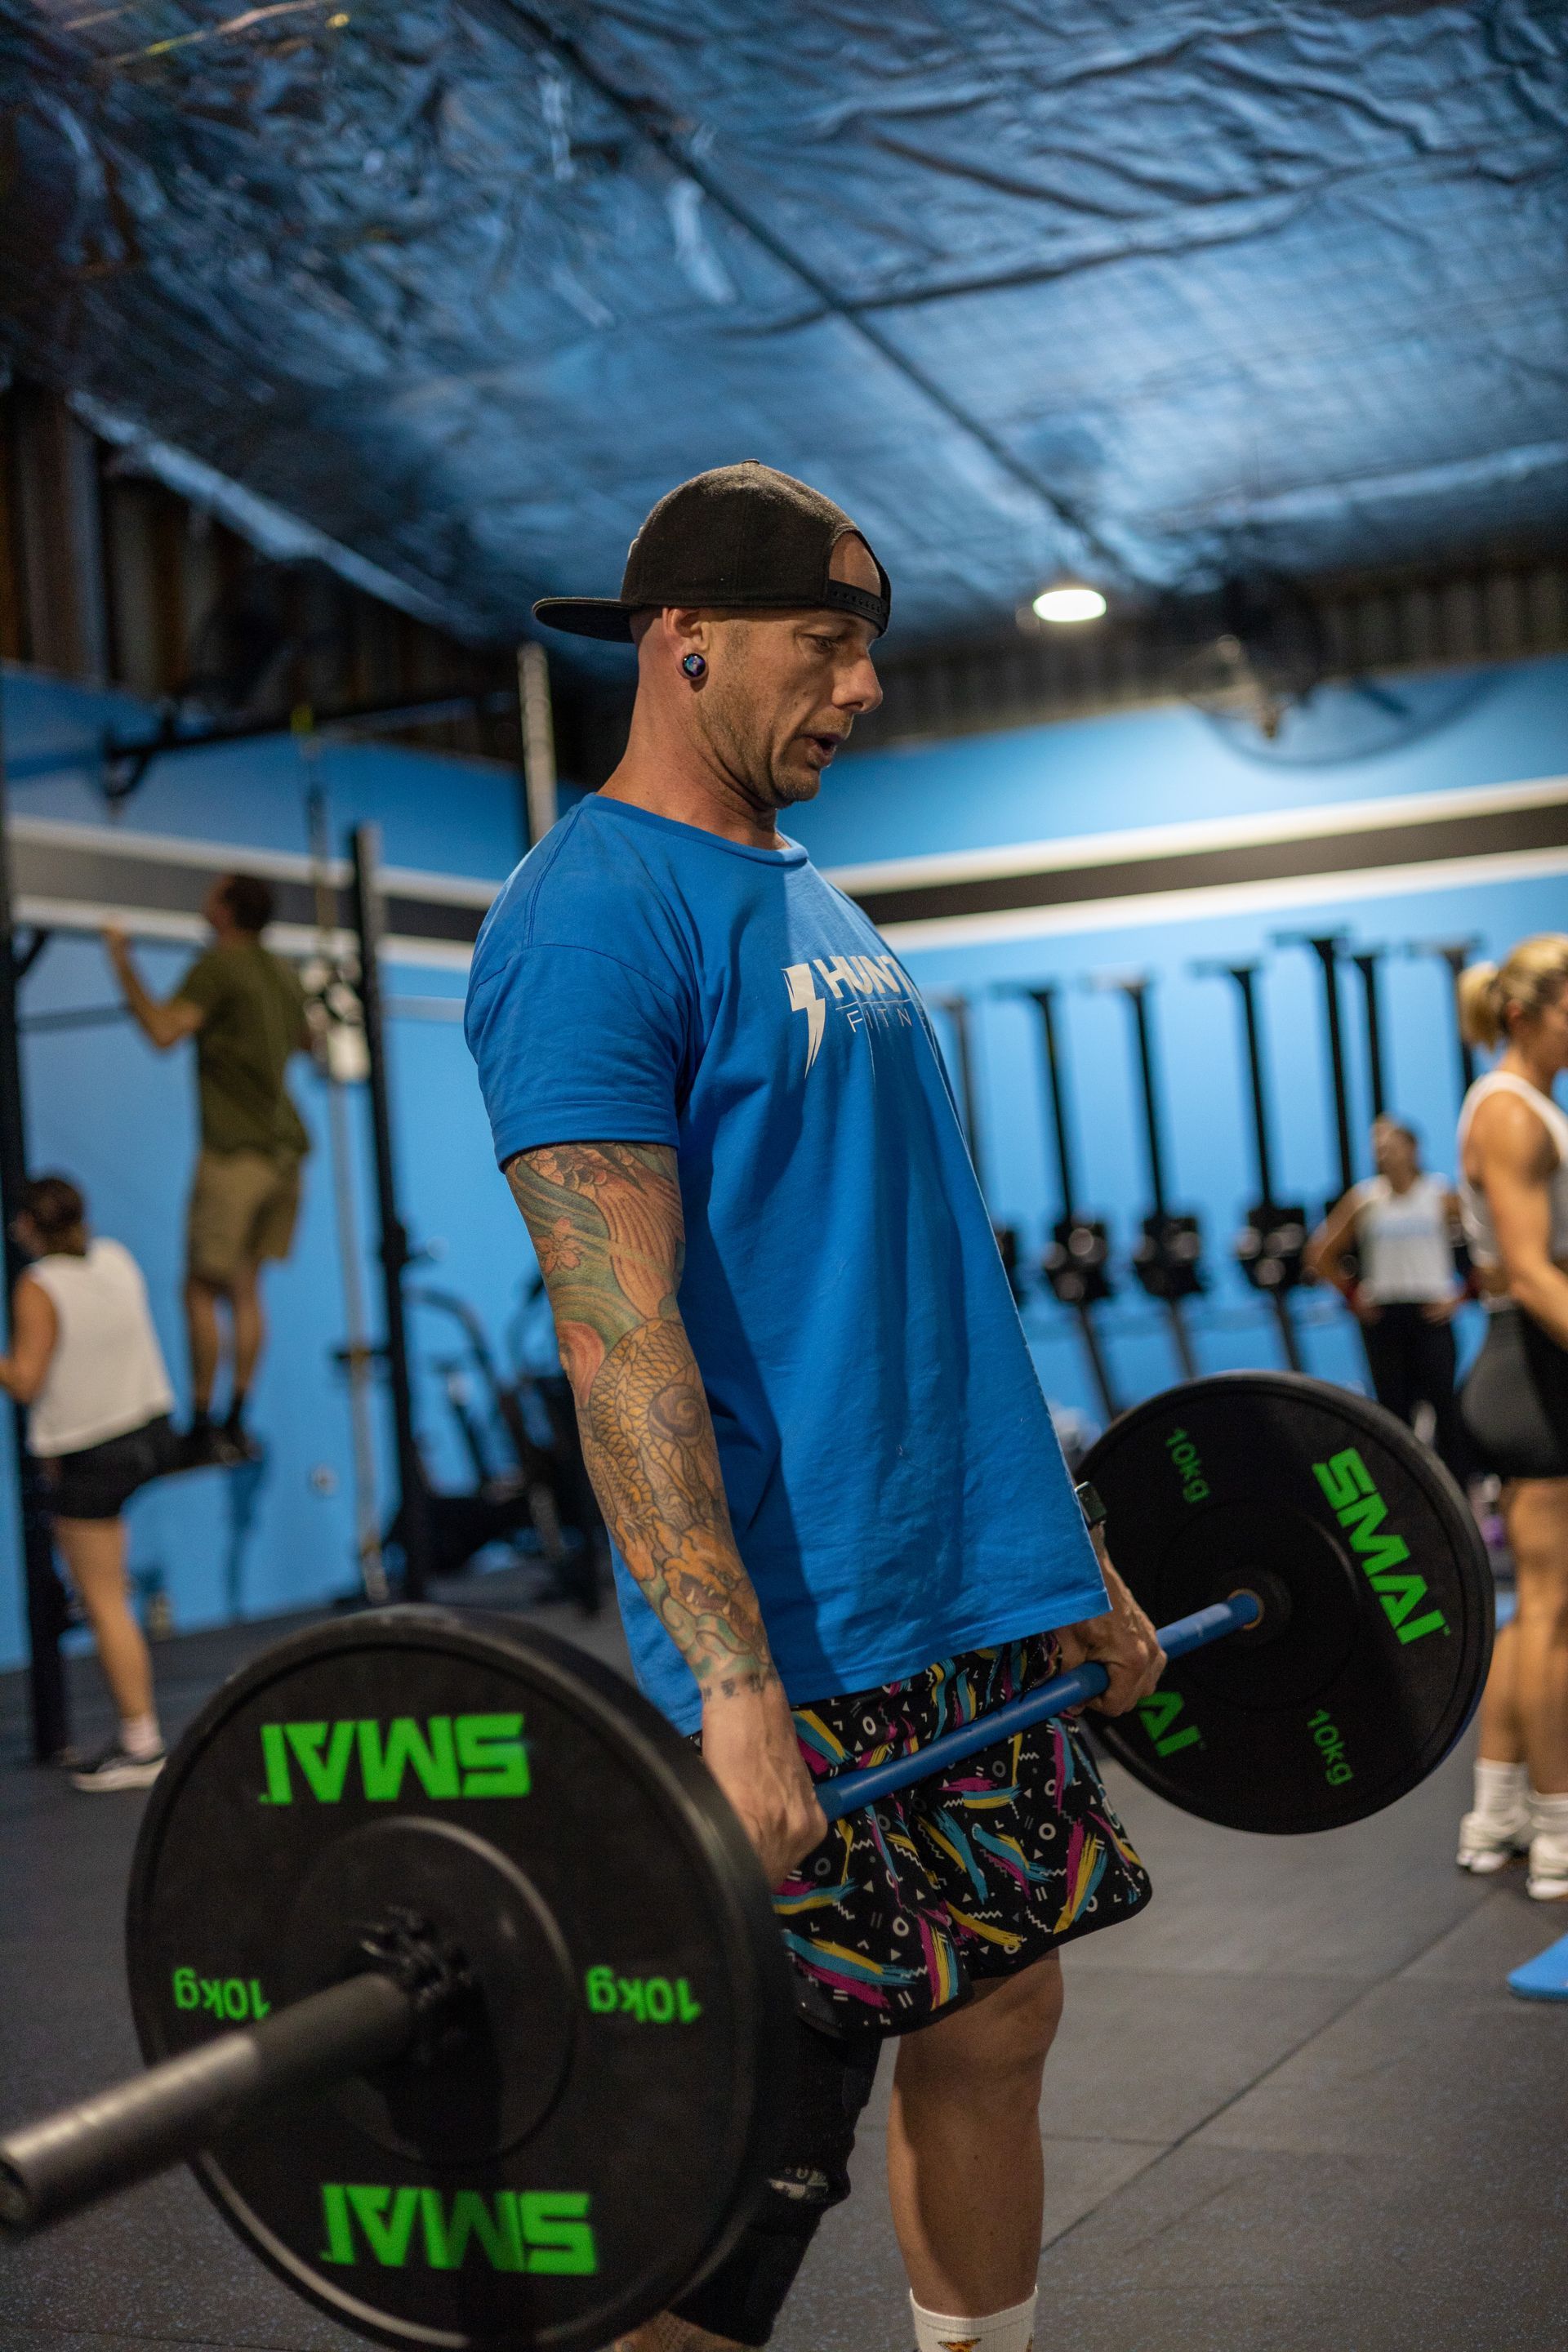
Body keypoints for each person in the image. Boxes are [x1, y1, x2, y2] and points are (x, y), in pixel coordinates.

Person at [466, 462, 1165, 2352]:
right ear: (683, 646)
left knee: (997, 2011)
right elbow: (618, 1334)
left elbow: (934, 1273)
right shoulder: (590, 917)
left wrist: (1070, 1560)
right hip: (812, 1621)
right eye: (825, 646)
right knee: (741, 2164)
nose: (860, 690)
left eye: (867, 650)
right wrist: (736, 1684)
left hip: (969, 1592)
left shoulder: (815, 901)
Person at [104, 874, 310, 1463]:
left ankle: (201, 1427)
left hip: (236, 1153)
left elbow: (164, 1031)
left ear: (224, 910)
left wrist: (121, 960)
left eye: (211, 893)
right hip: (286, 1155)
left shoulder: (220, 966)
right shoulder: (282, 972)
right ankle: (236, 1421)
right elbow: (307, 1043)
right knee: (245, 1286)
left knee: (199, 1288)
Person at [1449, 935, 1568, 1899]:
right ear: (1527, 1013)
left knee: (1537, 1607)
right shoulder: (1511, 1114)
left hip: (1532, 1365)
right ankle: (1563, 1831)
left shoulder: (1525, 1107)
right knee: (1558, 1611)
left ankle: (1499, 1812)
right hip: (1534, 1370)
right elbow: (1530, 1273)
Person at [0, 1175, 176, 1789]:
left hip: (91, 1458)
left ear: (27, 1226)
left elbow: (25, 1379)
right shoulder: (116, 1260)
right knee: (104, 1595)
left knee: (104, 1601)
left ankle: (141, 1741)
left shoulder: (38, 1285)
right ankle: (139, 1735)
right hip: (146, 1436)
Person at [1306, 1115, 1471, 1486]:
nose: (1382, 1153)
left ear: (1412, 1148)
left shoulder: (1440, 1194)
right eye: (1377, 1147)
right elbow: (1319, 1254)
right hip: (1384, 1316)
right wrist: (1352, 1295)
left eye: (1389, 1144)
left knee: (1446, 1408)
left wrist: (1463, 1295)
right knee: (1393, 1415)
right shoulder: (1365, 1199)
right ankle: (1401, 1494)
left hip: (1431, 1312)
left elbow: (1487, 1242)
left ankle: (1459, 1496)